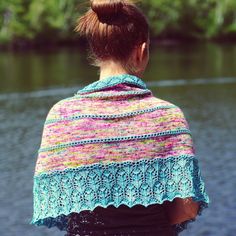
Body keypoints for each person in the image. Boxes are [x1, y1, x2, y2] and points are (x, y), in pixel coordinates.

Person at [30, 0, 209, 235]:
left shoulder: (61, 116)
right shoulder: (167, 116)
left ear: (94, 51)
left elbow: (52, 202)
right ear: (141, 51)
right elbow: (187, 208)